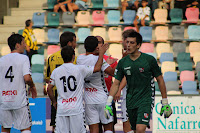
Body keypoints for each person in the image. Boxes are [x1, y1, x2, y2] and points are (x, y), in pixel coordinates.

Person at [104, 32, 172, 133]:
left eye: (132, 43)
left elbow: (160, 80)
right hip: (130, 100)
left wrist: (165, 101)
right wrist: (108, 103)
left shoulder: (149, 60)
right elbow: (116, 83)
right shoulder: (123, 62)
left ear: (138, 45)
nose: (128, 45)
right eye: (127, 42)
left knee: (140, 129)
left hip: (146, 99)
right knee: (134, 130)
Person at [47, 43, 108, 133]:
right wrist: (101, 54)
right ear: (73, 56)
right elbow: (98, 68)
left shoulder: (56, 71)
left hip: (62, 109)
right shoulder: (80, 69)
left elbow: (49, 88)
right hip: (76, 109)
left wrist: (54, 102)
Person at [76, 36, 115, 133]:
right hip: (103, 99)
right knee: (108, 128)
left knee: (93, 129)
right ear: (96, 47)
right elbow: (112, 72)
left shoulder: (79, 59)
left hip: (89, 100)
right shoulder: (99, 59)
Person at [0, 33, 37, 133]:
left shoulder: (1, 60)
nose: (25, 45)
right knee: (25, 128)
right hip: (19, 100)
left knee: (5, 129)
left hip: (4, 100)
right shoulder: (24, 58)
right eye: (23, 43)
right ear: (17, 45)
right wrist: (33, 86)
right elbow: (27, 78)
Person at [44, 31, 77, 133]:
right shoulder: (74, 59)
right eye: (74, 42)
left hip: (57, 97)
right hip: (72, 97)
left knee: (56, 126)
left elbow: (47, 78)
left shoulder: (51, 58)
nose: (76, 44)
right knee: (73, 126)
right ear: (69, 43)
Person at [114, 29, 136, 133]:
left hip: (131, 95)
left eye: (123, 40)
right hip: (135, 93)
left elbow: (128, 76)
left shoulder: (130, 55)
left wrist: (118, 89)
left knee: (127, 123)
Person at [96, 36, 118, 133]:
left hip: (107, 99)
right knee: (96, 128)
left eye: (100, 42)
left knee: (110, 128)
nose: (97, 45)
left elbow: (118, 77)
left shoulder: (111, 60)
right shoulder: (87, 59)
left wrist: (118, 91)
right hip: (93, 99)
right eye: (95, 42)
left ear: (104, 45)